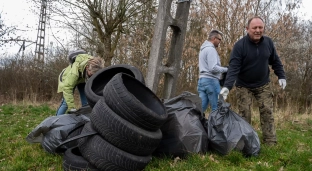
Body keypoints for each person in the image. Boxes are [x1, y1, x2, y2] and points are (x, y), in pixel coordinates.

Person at [220, 16, 287, 146]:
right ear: (247, 29)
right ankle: (246, 142)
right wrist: (227, 86)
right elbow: (233, 68)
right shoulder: (240, 46)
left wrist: (281, 76)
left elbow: (276, 61)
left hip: (263, 85)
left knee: (267, 111)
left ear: (263, 28)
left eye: (260, 27)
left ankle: (270, 141)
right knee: (244, 114)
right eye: (254, 28)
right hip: (243, 85)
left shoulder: (268, 43)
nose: (257, 30)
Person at [56, 50, 104, 115]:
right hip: (67, 78)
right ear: (87, 68)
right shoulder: (74, 73)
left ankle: (86, 118)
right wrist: (71, 108)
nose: (92, 76)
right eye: (91, 74)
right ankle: (56, 120)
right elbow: (67, 88)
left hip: (82, 78)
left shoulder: (94, 66)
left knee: (86, 103)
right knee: (65, 103)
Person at [197, 29, 228, 112]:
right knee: (217, 109)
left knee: (201, 109)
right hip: (211, 82)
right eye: (219, 39)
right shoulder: (211, 49)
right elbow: (213, 68)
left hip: (202, 81)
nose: (220, 42)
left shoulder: (203, 49)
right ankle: (216, 125)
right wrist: (226, 69)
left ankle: (193, 123)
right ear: (214, 38)